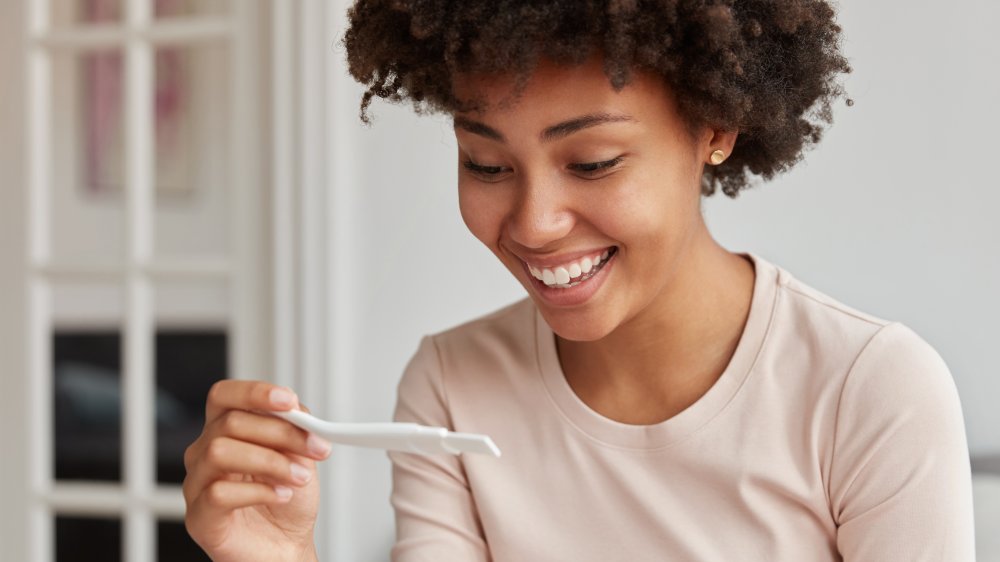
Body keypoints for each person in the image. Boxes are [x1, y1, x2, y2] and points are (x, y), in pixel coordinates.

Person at [183, 1, 976, 560]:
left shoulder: (868, 393)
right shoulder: (452, 385)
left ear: (715, 127)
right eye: (485, 164)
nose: (534, 223)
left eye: (592, 162)